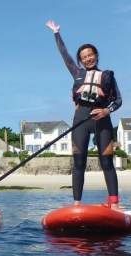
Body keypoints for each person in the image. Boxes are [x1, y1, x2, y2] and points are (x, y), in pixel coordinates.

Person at [46, 21, 123, 210]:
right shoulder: (77, 73)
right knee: (79, 163)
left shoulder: (107, 76)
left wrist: (107, 110)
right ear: (80, 61)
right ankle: (77, 204)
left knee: (107, 163)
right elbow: (64, 54)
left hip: (102, 120)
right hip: (81, 120)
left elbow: (119, 100)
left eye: (90, 55)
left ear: (96, 55)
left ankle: (113, 204)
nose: (88, 59)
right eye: (84, 57)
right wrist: (56, 33)